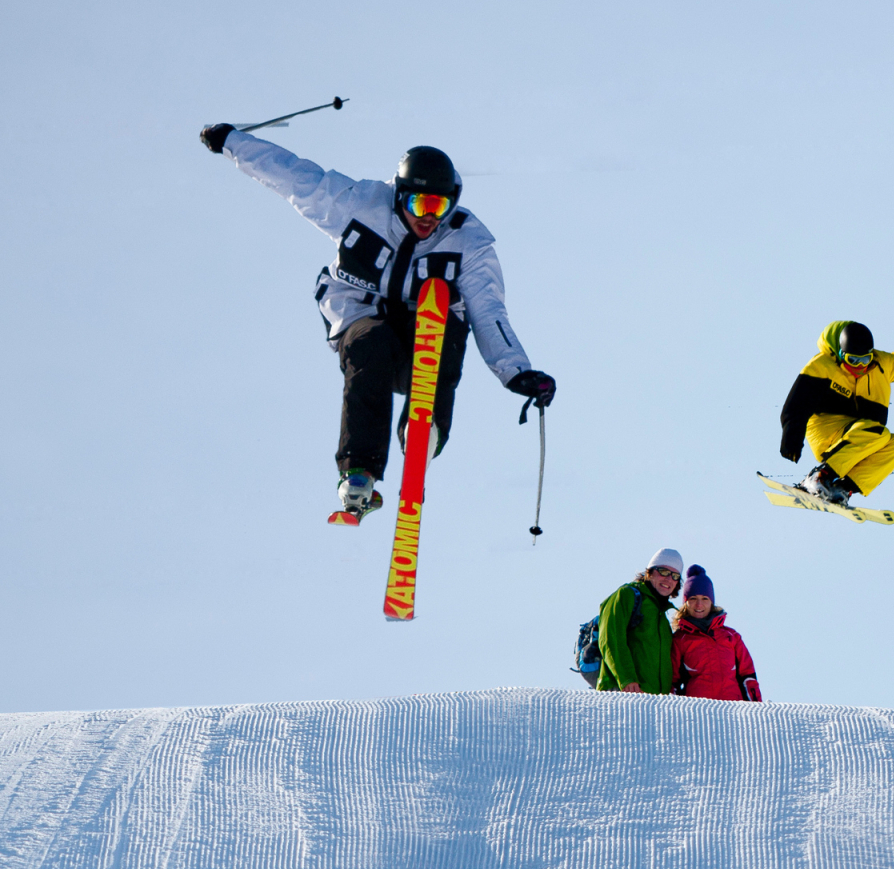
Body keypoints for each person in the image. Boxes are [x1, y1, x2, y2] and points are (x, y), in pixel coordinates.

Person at [198, 123, 557, 518]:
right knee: (371, 345)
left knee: (448, 329)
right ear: (399, 196)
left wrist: (517, 372)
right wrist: (231, 141)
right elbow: (289, 173)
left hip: (424, 332)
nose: (429, 218)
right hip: (361, 312)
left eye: (439, 207)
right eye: (420, 205)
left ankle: (425, 426)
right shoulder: (356, 204)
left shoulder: (468, 243)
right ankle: (359, 471)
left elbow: (489, 312)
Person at [778, 321, 894, 506]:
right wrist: (792, 440)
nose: (859, 366)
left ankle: (842, 488)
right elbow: (796, 404)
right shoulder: (822, 366)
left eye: (864, 360)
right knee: (877, 432)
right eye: (853, 360)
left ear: (871, 355)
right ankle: (819, 477)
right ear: (842, 354)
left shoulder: (881, 364)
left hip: (862, 437)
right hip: (826, 432)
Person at [670, 566, 763, 702]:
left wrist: (757, 708)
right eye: (693, 598)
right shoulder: (680, 639)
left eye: (705, 598)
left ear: (712, 602)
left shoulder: (731, 636)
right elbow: (672, 681)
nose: (699, 604)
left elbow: (748, 676)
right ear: (686, 603)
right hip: (698, 711)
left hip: (734, 709)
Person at [595, 549, 682, 694]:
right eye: (663, 571)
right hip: (622, 691)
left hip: (654, 701)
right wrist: (627, 679)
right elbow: (610, 639)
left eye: (675, 576)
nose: (669, 579)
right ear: (650, 572)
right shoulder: (626, 596)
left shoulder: (663, 620)